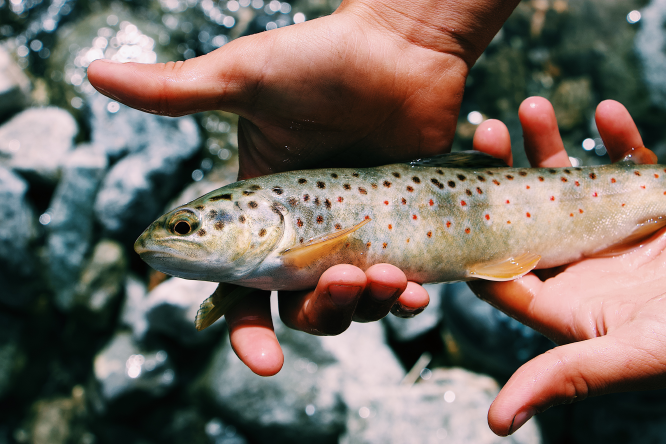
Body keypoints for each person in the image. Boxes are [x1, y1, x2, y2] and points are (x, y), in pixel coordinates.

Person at [87, 0, 666, 436]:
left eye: (186, 229)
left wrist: (407, 29)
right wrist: (409, 30)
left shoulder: (275, 252)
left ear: (262, 219)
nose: (170, 240)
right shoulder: (256, 261)